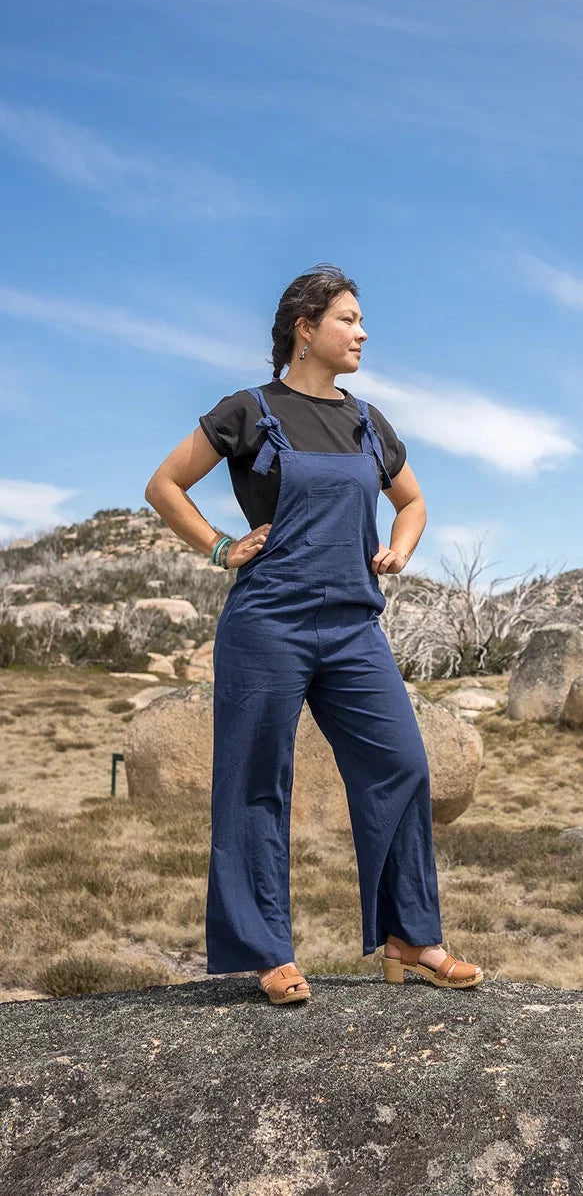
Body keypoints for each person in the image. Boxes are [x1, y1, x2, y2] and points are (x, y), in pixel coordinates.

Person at [144, 264, 484, 1004]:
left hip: (355, 627)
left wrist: (401, 545)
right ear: (306, 328)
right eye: (349, 319)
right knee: (256, 782)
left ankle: (410, 936)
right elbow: (165, 485)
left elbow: (414, 499)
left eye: (361, 322)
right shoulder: (248, 411)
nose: (362, 333)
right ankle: (266, 949)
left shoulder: (367, 421)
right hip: (269, 623)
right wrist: (216, 545)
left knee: (402, 764)